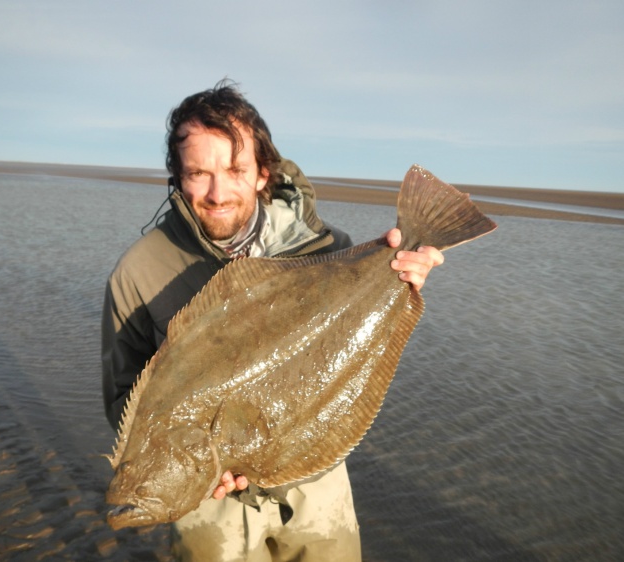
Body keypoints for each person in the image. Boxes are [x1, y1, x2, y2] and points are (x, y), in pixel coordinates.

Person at [101, 80, 444, 562]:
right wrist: (202, 467)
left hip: (312, 474)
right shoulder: (138, 272)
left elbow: (359, 348)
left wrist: (405, 275)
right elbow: (122, 398)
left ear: (263, 173)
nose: (218, 192)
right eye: (199, 172)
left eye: (235, 169)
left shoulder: (328, 250)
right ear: (177, 178)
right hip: (205, 500)